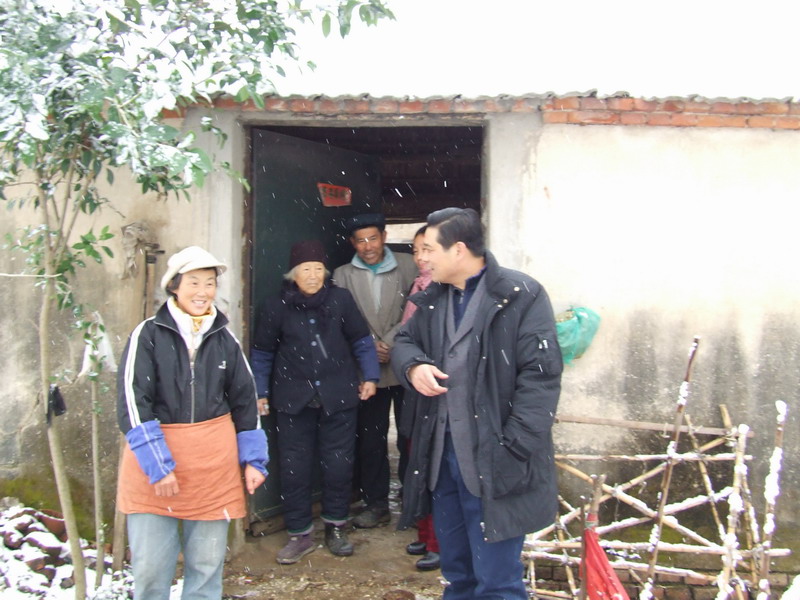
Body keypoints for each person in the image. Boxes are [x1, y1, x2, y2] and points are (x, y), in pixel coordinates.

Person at [392, 208, 563, 599]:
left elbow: (540, 378)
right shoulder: (433, 299)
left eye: (429, 249)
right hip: (442, 461)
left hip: (496, 461)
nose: (423, 258)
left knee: (498, 582)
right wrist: (414, 366)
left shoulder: (520, 295)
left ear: (458, 250)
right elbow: (404, 341)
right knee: (458, 576)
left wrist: (513, 447)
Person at [117, 246, 268, 600]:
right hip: (154, 469)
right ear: (174, 286)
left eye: (210, 283)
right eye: (194, 282)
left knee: (206, 568)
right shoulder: (148, 335)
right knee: (151, 570)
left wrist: (254, 460)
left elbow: (245, 402)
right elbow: (133, 402)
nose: (203, 292)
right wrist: (158, 465)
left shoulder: (225, 340)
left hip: (211, 468)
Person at [250, 240, 380, 564]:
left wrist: (371, 376)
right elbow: (263, 352)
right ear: (293, 274)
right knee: (294, 468)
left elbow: (361, 340)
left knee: (338, 465)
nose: (312, 275)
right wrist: (260, 391)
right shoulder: (276, 306)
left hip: (338, 395)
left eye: (318, 268)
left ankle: (336, 527)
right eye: (305, 269)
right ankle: (300, 534)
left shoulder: (340, 300)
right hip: (293, 399)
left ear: (325, 272)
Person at [333, 213, 417, 528]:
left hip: (406, 364)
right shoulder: (342, 274)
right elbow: (341, 317)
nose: (367, 246)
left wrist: (391, 342)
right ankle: (376, 503)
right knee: (371, 439)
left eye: (373, 238)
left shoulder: (409, 265)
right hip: (367, 370)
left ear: (383, 237)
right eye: (360, 240)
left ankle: (412, 499)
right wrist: (369, 345)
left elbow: (417, 308)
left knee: (409, 435)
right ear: (352, 243)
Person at [398, 225, 440, 572]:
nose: (421, 257)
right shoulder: (419, 286)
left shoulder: (444, 291)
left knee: (438, 470)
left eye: (427, 249)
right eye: (416, 251)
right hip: (417, 388)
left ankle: (441, 542)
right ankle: (426, 534)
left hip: (437, 390)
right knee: (419, 464)